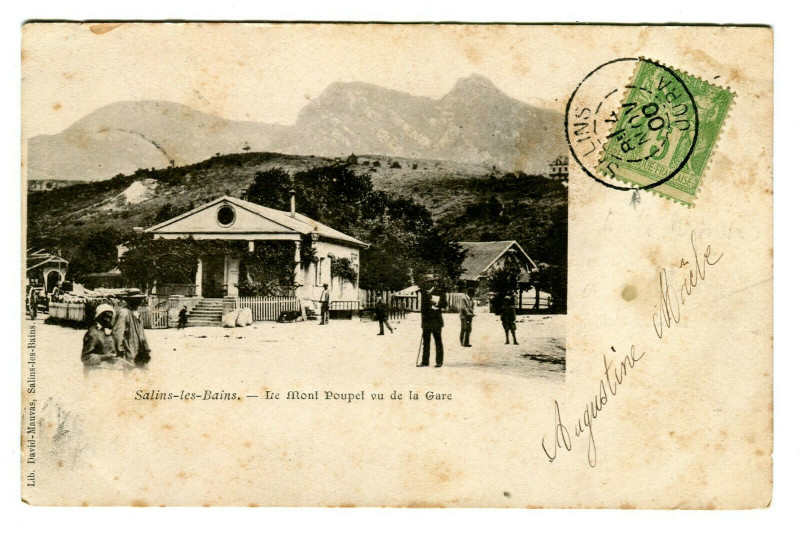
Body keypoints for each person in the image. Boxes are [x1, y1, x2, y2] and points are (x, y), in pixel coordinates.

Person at [113, 291, 151, 367]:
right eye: (136, 299)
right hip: (129, 348)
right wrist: (119, 350)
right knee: (131, 371)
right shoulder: (124, 313)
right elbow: (118, 333)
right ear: (130, 300)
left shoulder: (136, 312)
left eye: (140, 299)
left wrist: (145, 347)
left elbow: (141, 333)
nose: (139, 302)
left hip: (140, 349)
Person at [81, 304, 120, 372]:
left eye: (110, 317)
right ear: (98, 317)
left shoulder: (106, 331)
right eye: (105, 316)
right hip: (94, 371)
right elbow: (85, 357)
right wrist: (104, 357)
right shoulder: (93, 333)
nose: (107, 319)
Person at [418, 274, 444, 367]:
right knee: (426, 342)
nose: (427, 284)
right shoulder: (424, 293)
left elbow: (444, 304)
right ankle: (425, 361)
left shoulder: (439, 291)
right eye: (426, 283)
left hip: (436, 320)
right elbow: (423, 308)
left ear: (433, 283)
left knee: (438, 341)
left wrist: (437, 303)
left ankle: (439, 361)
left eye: (429, 282)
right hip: (426, 320)